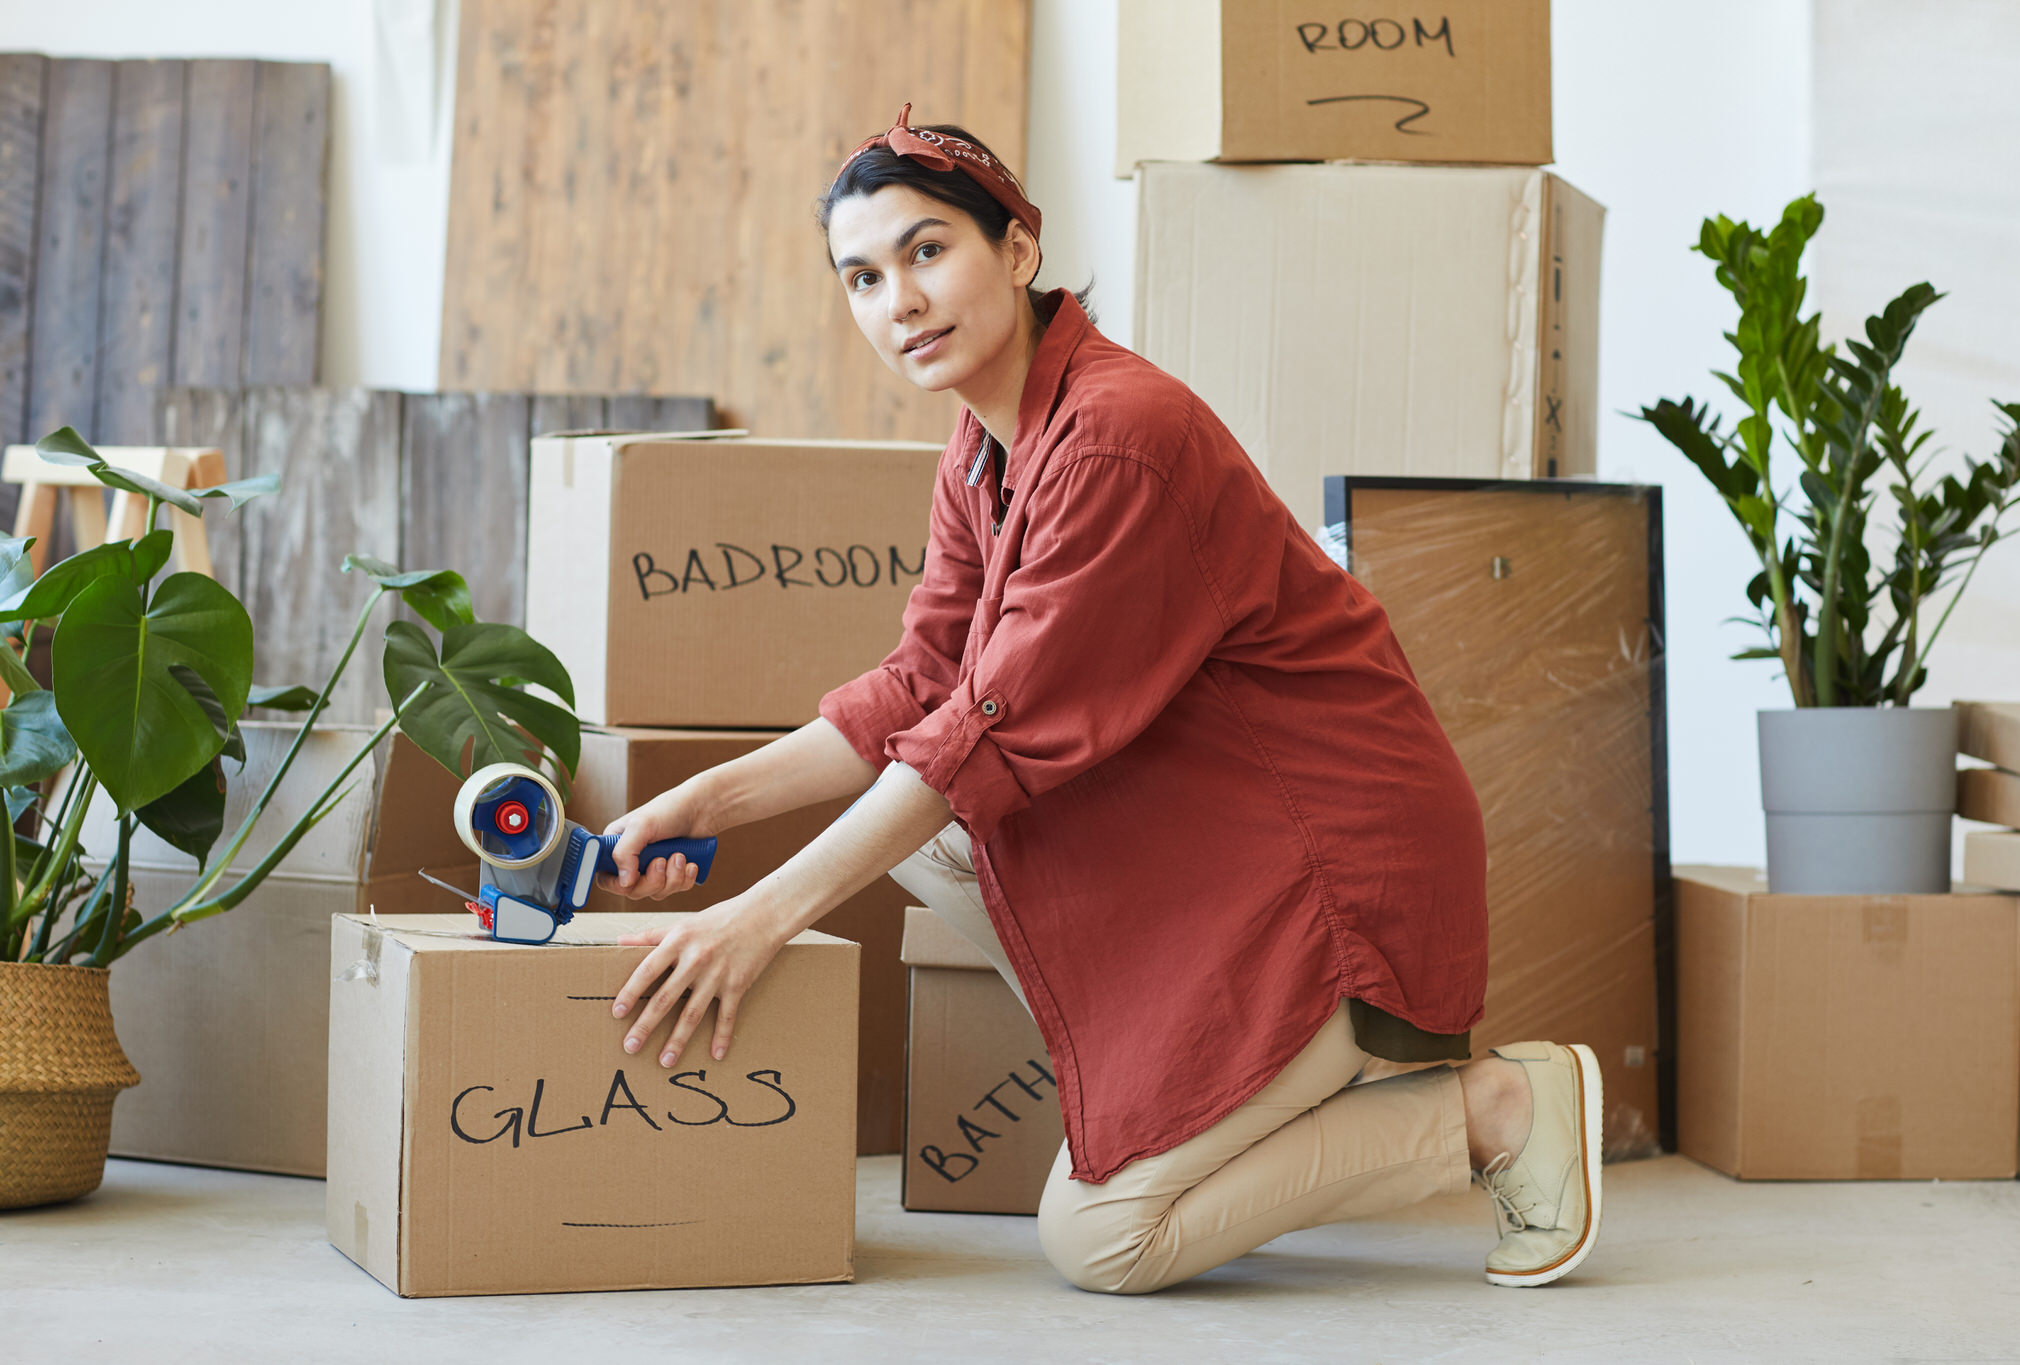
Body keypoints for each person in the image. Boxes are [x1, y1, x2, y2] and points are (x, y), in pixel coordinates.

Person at [597, 105, 1602, 1294]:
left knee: (1103, 1240)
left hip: (1332, 869)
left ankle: (1495, 1109)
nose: (899, 301)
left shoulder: (1117, 437)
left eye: (928, 252)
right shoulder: (984, 447)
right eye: (862, 277)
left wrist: (752, 919)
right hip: (1216, 835)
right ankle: (1178, 1079)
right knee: (923, 840)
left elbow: (974, 741)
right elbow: (921, 688)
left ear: (1016, 249)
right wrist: (703, 801)